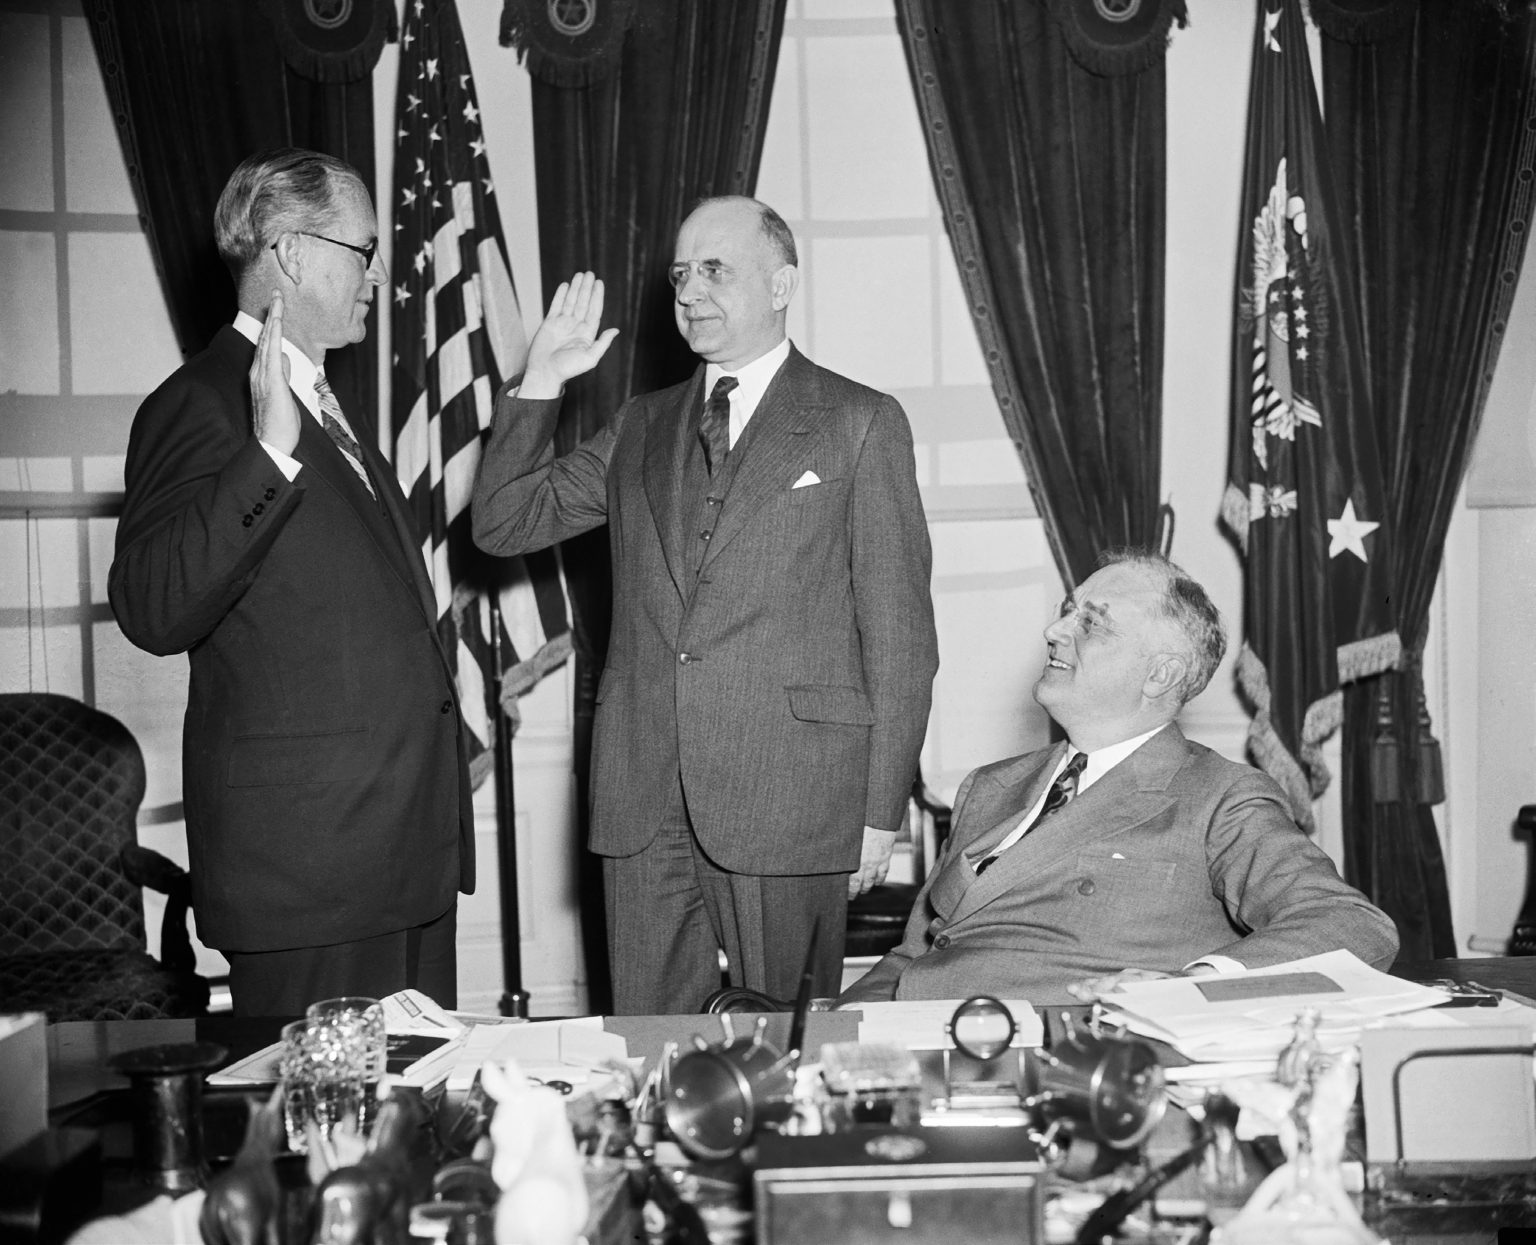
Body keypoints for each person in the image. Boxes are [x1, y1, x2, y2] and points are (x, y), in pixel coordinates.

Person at [472, 196, 939, 1014]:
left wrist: (878, 812)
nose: (690, 291)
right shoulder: (640, 425)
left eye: (715, 270)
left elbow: (901, 638)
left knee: (788, 1051)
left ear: (783, 282)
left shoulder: (860, 423)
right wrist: (540, 378)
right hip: (642, 798)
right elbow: (505, 520)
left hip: (792, 797)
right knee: (652, 1054)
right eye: (681, 274)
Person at [110, 148, 474, 1015]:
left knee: (403, 1134)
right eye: (364, 250)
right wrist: (267, 454)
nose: (379, 273)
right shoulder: (199, 402)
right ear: (293, 253)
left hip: (400, 860)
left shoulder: (323, 399)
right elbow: (154, 606)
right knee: (324, 1142)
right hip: (314, 876)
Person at [838, 549, 1399, 1008]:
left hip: (1063, 1063)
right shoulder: (989, 786)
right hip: (914, 1041)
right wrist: (827, 1035)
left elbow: (1350, 923)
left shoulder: (1221, 797)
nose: (1054, 630)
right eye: (1066, 610)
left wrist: (1195, 986)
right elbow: (916, 956)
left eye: (1092, 622)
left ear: (1161, 674)